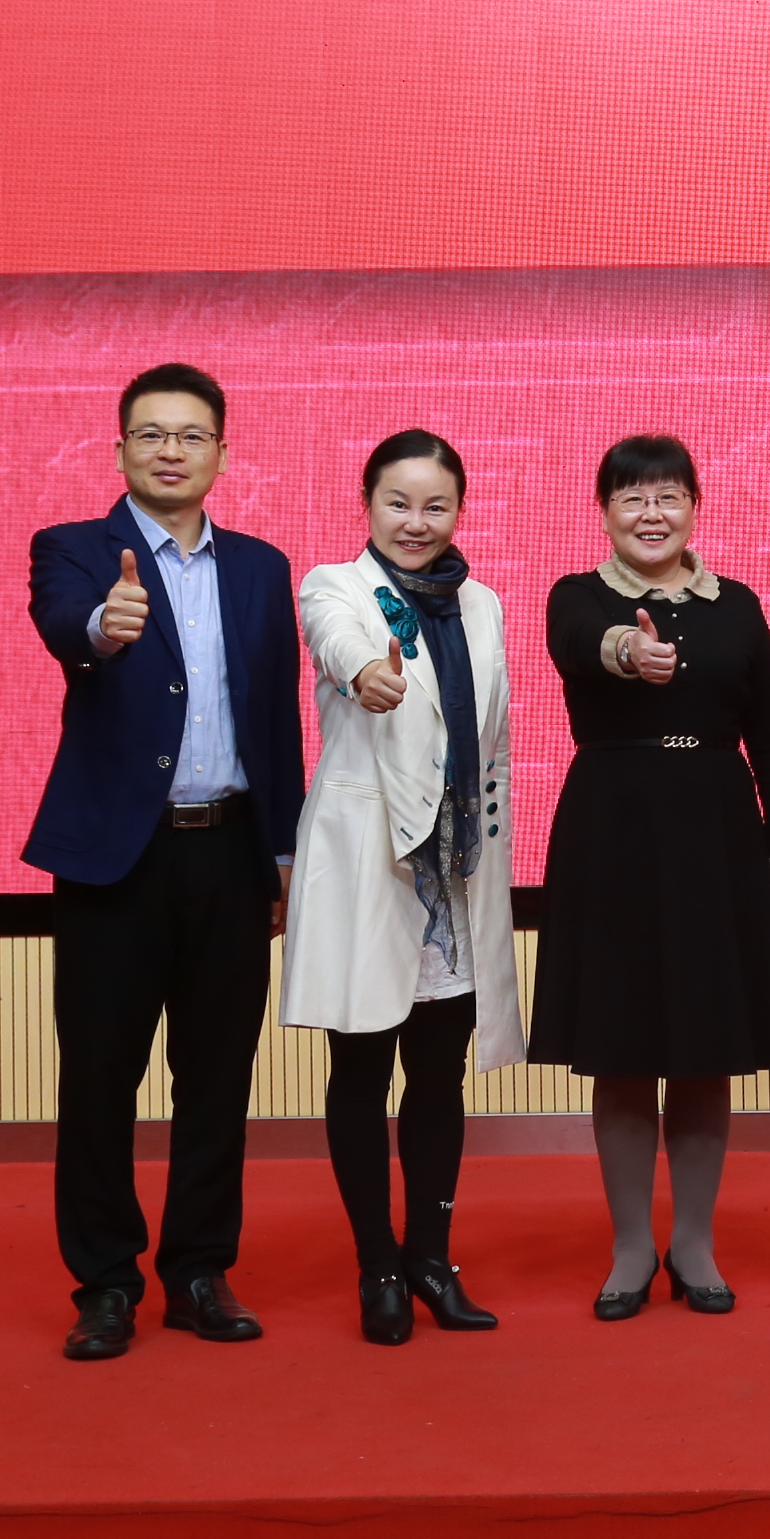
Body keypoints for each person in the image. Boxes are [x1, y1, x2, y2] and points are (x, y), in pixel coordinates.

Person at [24, 365, 307, 1364]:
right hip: (118, 861)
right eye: (150, 434)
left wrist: (284, 851)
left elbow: (276, 719)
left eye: (191, 435)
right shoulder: (72, 549)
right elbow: (67, 626)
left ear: (222, 453)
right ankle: (105, 1282)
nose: (171, 451)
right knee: (100, 1077)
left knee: (217, 1076)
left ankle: (197, 1271)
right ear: (120, 451)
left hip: (229, 850)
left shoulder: (262, 567)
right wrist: (104, 628)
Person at [532, 434, 770, 1320]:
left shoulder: (738, 605)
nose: (651, 514)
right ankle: (629, 1248)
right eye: (632, 498)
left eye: (668, 497)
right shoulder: (576, 596)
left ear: (694, 506)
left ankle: (693, 1243)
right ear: (605, 512)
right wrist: (631, 651)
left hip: (717, 834)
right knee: (620, 1050)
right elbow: (584, 644)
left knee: (703, 1048)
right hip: (611, 833)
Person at [278, 430, 521, 1346]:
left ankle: (430, 1258)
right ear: (367, 504)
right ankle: (376, 1264)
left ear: (458, 511)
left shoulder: (483, 604)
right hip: (369, 863)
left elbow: (491, 741)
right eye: (398, 503)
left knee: (439, 1074)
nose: (416, 522)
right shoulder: (332, 586)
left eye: (435, 506)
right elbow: (342, 647)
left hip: (454, 873)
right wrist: (367, 673)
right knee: (361, 1069)